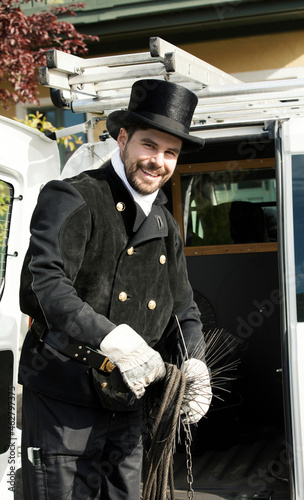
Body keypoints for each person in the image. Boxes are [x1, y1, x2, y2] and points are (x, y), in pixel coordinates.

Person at [18, 78, 212, 500]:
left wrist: (195, 364)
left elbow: (183, 308)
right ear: (122, 138)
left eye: (170, 153)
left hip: (128, 404)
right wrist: (110, 338)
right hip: (63, 403)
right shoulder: (73, 196)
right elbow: (42, 284)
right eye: (149, 145)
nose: (157, 161)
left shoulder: (165, 223)